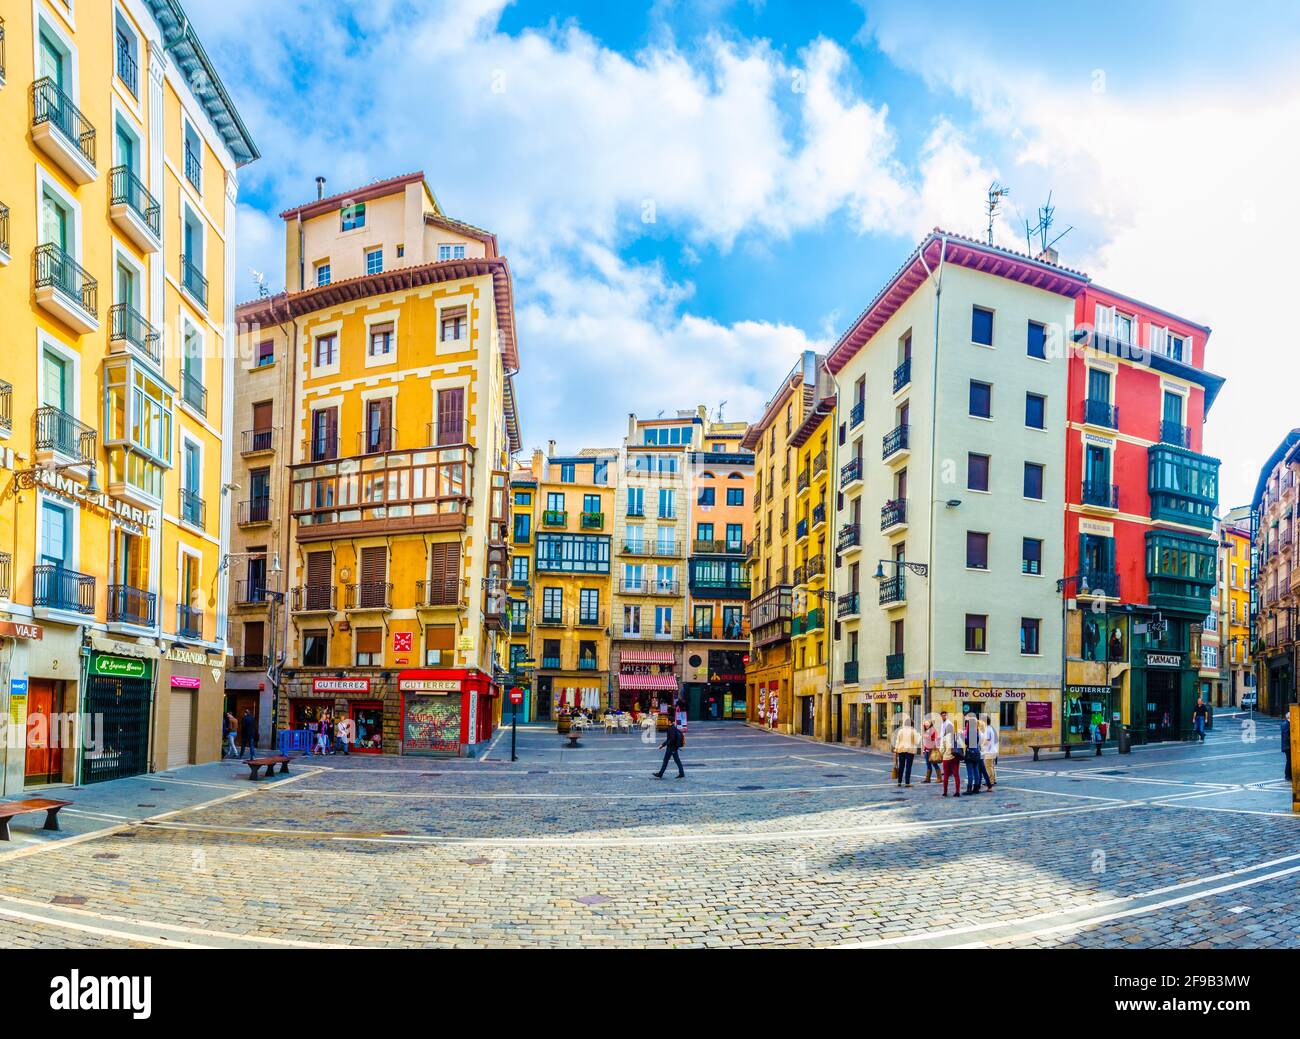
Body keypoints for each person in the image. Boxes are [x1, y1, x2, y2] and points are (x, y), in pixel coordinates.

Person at [892, 715, 921, 788]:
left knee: (901, 766)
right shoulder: (913, 731)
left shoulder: (900, 730)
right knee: (908, 766)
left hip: (901, 749)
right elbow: (917, 742)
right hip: (910, 750)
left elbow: (897, 740)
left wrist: (896, 748)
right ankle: (907, 783)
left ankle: (899, 782)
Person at [961, 713, 983, 795]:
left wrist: (962, 736)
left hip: (970, 753)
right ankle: (976, 788)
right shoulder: (976, 731)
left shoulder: (971, 732)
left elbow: (967, 742)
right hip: (976, 752)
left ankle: (969, 789)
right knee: (976, 771)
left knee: (970, 772)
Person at [940, 721, 963, 797]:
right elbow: (961, 745)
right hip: (955, 757)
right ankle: (957, 791)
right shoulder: (956, 736)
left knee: (946, 775)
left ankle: (945, 792)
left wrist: (942, 754)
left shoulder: (944, 738)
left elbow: (942, 749)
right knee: (956, 775)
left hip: (946, 758)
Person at [978, 717, 998, 790]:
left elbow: (987, 740)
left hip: (989, 751)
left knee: (988, 767)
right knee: (991, 766)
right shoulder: (990, 728)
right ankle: (994, 779)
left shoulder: (987, 730)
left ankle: (991, 781)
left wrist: (981, 745)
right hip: (992, 750)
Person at [1283, 713, 1292, 782]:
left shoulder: (1287, 723)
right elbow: (1286, 735)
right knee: (1289, 761)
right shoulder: (1285, 724)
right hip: (1288, 746)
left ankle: (1289, 775)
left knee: (1290, 760)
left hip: (1288, 746)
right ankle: (1287, 776)